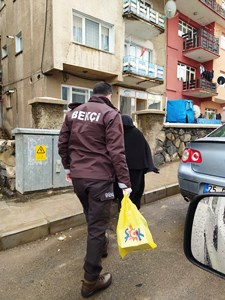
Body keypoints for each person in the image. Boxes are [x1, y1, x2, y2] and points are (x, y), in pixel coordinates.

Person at [58, 82, 131, 298]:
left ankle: (101, 246)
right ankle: (90, 281)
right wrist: (125, 182)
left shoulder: (73, 113)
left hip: (79, 177)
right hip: (99, 178)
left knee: (92, 217)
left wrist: (69, 167)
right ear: (109, 95)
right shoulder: (110, 113)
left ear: (93, 94)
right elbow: (117, 151)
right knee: (97, 226)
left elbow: (63, 143)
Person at [114, 115, 159, 210]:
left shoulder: (118, 134)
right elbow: (145, 150)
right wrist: (148, 165)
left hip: (121, 170)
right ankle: (133, 212)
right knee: (135, 191)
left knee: (121, 191)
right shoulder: (137, 133)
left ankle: (123, 211)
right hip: (137, 170)